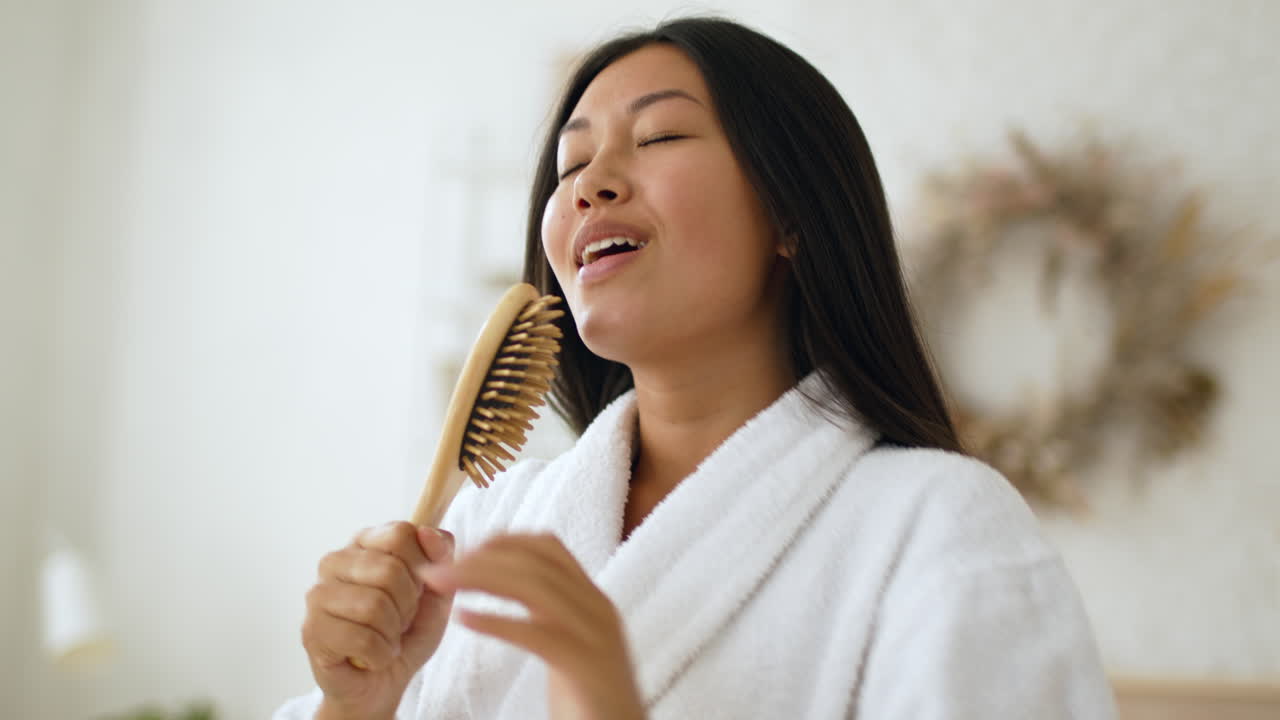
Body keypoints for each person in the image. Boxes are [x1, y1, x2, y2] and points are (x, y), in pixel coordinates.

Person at [275, 16, 1115, 720]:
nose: (589, 185)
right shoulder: (493, 523)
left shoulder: (942, 530)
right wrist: (359, 706)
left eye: (659, 136)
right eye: (569, 167)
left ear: (790, 211)